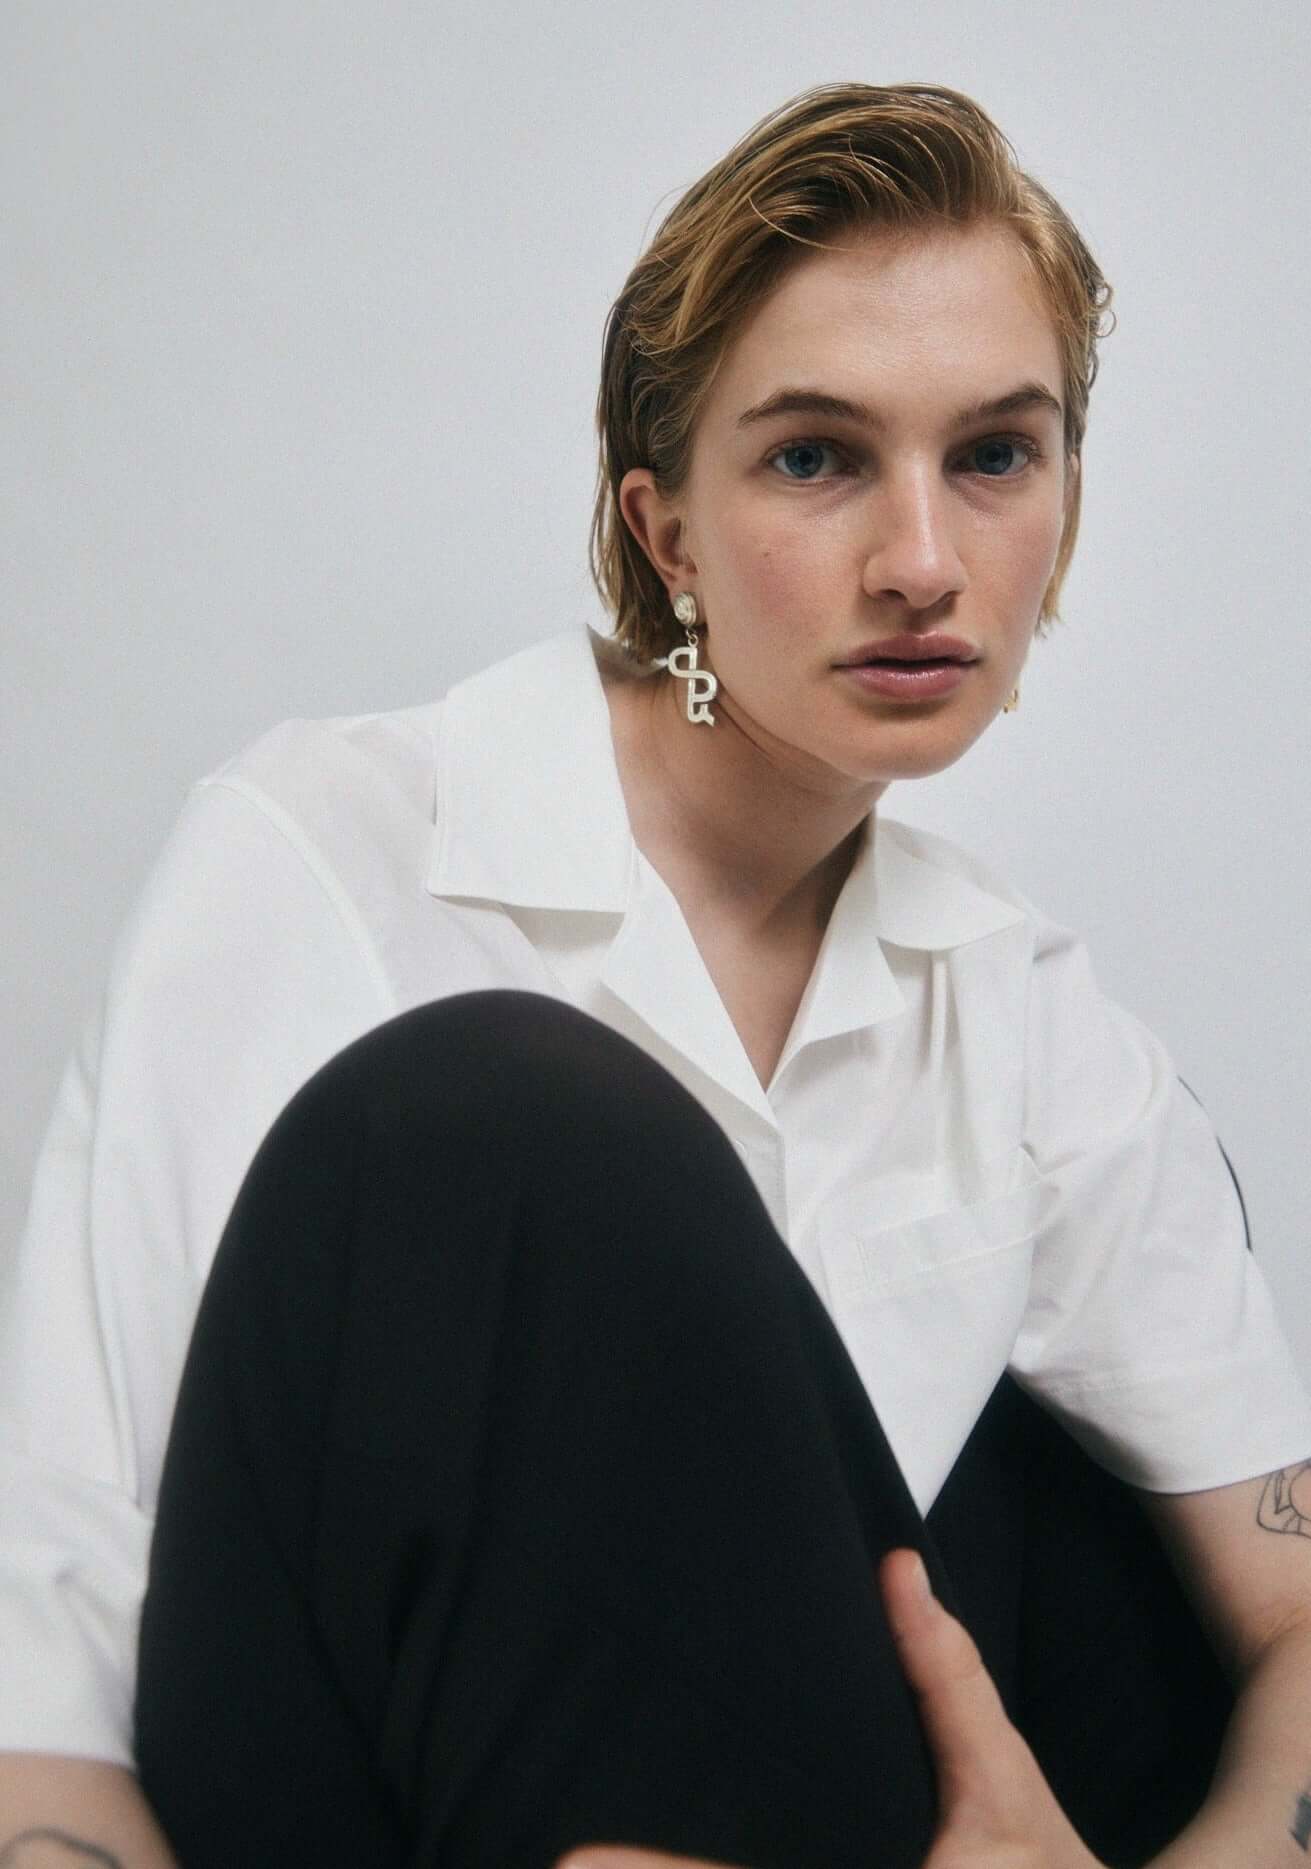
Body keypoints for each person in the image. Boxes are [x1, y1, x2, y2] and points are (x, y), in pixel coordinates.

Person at [2, 78, 1310, 1869]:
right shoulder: (321, 849)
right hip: (356, 1802)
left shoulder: (1023, 1012)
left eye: (996, 455)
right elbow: (44, 1685)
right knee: (503, 1117)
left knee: (1064, 1535)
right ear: (665, 535)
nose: (924, 562)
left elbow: (1297, 1600)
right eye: (815, 457)